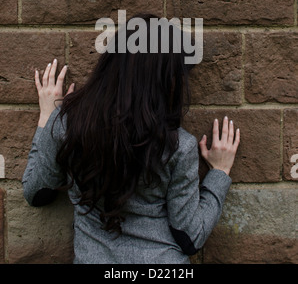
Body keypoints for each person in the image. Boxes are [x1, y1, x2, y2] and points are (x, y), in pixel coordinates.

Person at [22, 14, 240, 264]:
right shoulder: (178, 146)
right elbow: (190, 236)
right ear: (163, 82)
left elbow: (36, 192)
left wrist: (48, 118)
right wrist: (220, 174)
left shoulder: (67, 124)